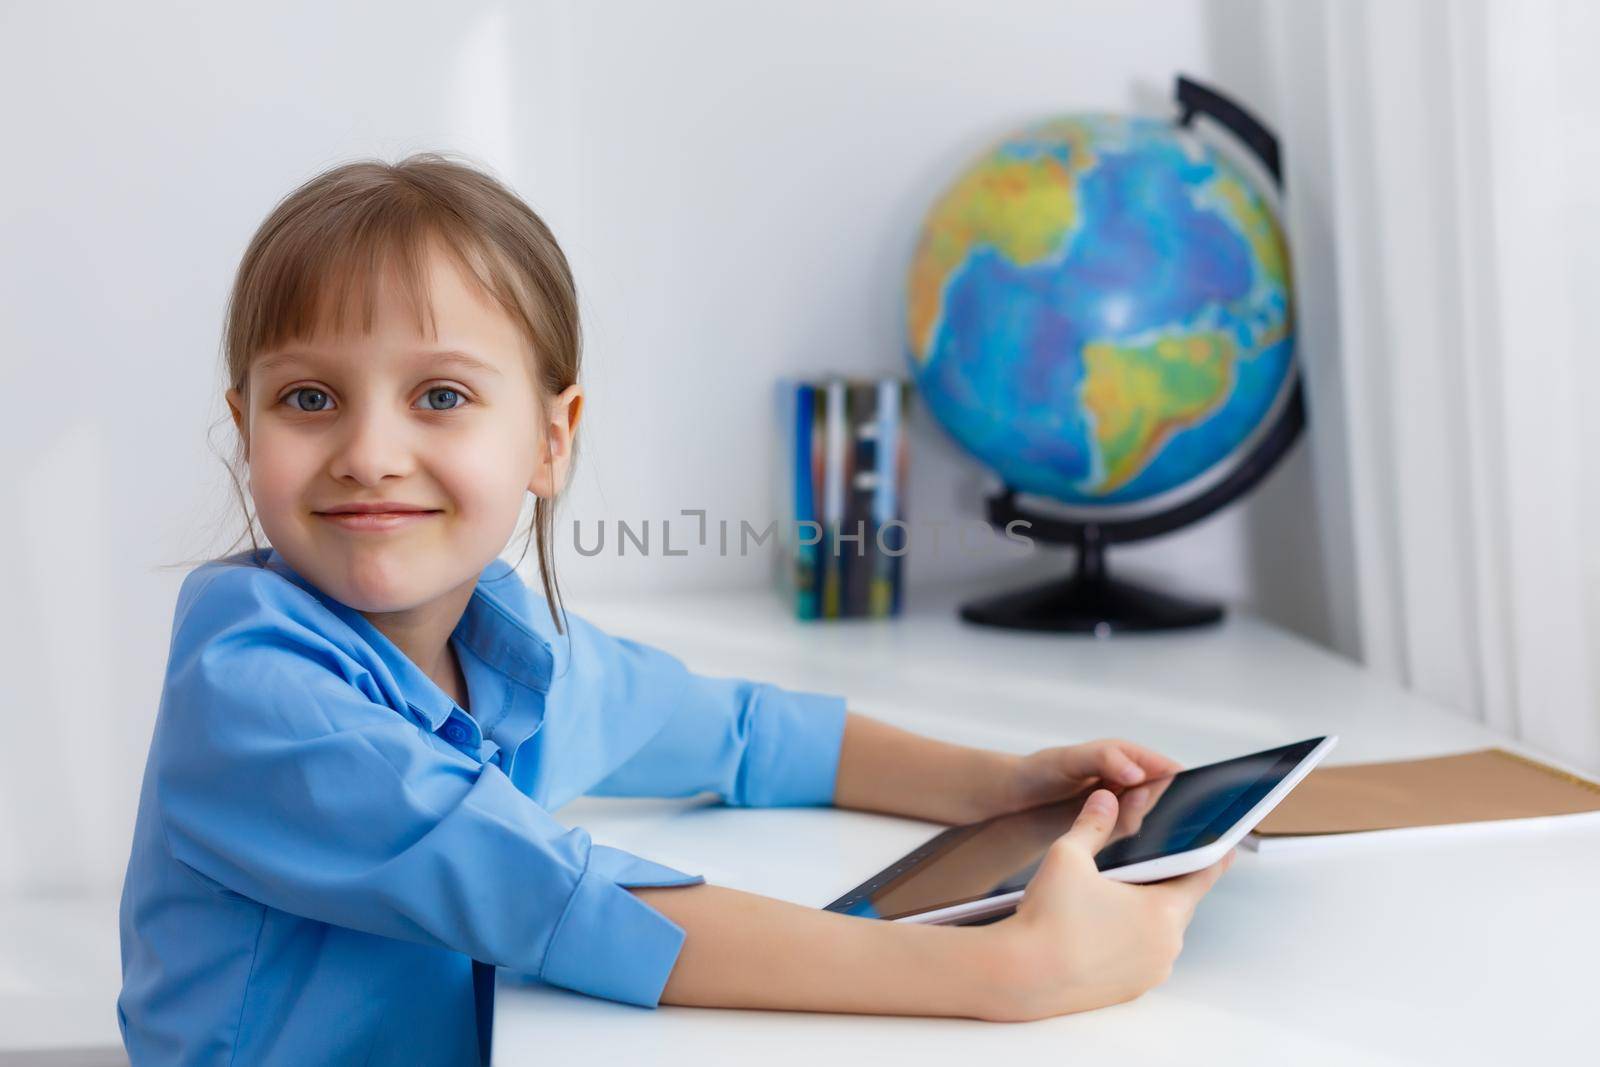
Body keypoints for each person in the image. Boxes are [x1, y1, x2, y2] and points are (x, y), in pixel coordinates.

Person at [117, 153, 1232, 1066]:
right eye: (308, 398)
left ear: (550, 439)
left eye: (441, 396)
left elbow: (741, 731)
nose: (368, 453)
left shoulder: (504, 636)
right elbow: (554, 899)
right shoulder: (252, 688)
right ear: (246, 422)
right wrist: (1005, 973)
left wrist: (999, 783)